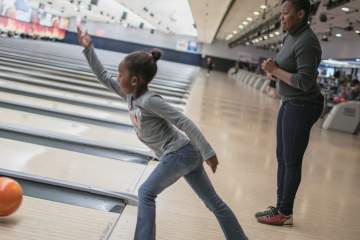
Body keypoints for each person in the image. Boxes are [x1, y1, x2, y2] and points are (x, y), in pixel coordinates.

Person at [77, 27, 248, 240]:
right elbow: (103, 76)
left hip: (180, 152)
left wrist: (208, 152)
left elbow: (183, 121)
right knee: (213, 202)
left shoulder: (150, 100)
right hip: (185, 153)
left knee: (146, 192)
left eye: (121, 74)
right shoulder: (129, 94)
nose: (117, 77)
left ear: (134, 80)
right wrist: (88, 48)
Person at [256, 0, 324, 226]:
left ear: (301, 13)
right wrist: (273, 72)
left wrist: (276, 70)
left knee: (291, 160)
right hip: (290, 102)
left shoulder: (308, 42)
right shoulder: (291, 36)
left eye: (286, 13)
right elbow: (288, 70)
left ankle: (285, 212)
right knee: (282, 158)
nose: (281, 18)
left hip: (303, 105)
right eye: (281, 13)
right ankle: (279, 206)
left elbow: (305, 82)